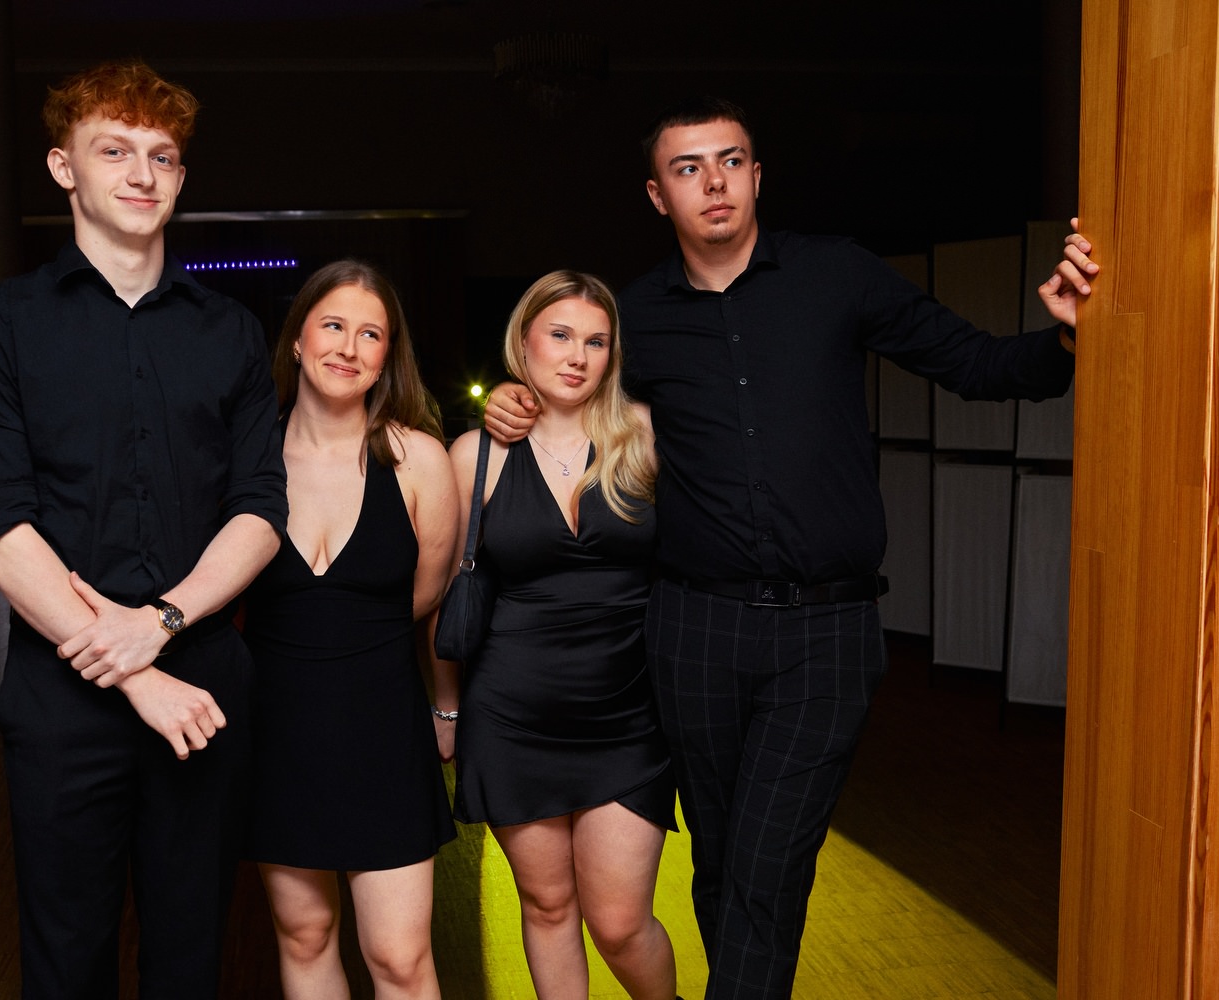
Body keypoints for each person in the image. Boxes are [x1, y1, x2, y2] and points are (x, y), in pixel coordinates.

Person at [484, 96, 1100, 1000]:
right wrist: (514, 401)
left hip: (827, 633)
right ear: (658, 196)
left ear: (757, 174)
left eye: (730, 160)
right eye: (688, 168)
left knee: (768, 869)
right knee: (723, 863)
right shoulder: (636, 318)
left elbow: (975, 365)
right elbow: (572, 402)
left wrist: (1066, 334)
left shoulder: (836, 275)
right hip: (692, 631)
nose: (714, 182)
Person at [0, 61, 288, 998]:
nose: (142, 173)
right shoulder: (0, 327)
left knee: (190, 955)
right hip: (62, 698)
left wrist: (161, 623)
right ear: (65, 168)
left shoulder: (230, 332)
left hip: (204, 688)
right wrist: (133, 669)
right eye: (115, 150)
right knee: (66, 958)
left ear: (181, 178)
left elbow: (261, 509)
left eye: (162, 156)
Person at [441, 270, 678, 1000]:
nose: (578, 356)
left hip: (629, 714)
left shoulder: (646, 435)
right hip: (513, 717)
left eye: (596, 342)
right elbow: (448, 597)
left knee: (620, 922)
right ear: (525, 341)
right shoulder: (475, 456)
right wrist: (446, 709)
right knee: (547, 907)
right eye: (561, 335)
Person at [240, 260, 459, 1000]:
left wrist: (445, 708)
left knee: (399, 957)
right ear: (297, 339)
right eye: (333, 325)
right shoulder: (248, 458)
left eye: (371, 334)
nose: (348, 347)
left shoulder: (419, 459)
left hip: (383, 729)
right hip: (276, 730)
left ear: (387, 355)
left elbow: (427, 597)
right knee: (304, 935)